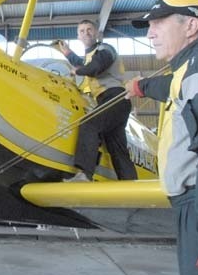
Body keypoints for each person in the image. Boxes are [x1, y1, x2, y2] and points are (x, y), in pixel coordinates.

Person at [125, 0, 198, 275]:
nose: (150, 33)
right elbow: (172, 87)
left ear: (191, 26)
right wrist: (142, 86)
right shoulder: (192, 69)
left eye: (159, 23)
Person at [55, 19, 137, 182]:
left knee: (89, 124)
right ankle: (132, 185)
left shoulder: (105, 49)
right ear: (78, 36)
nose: (86, 33)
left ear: (97, 33)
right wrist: (68, 54)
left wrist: (76, 72)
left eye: (89, 29)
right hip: (113, 101)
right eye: (82, 31)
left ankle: (84, 174)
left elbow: (95, 67)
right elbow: (84, 63)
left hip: (115, 97)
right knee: (117, 147)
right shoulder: (90, 56)